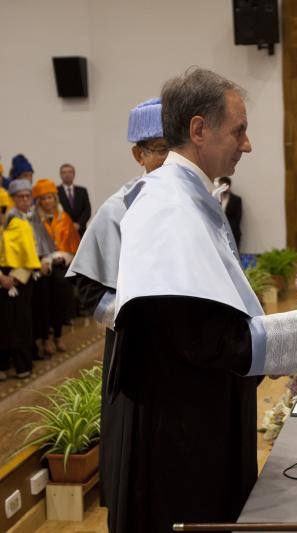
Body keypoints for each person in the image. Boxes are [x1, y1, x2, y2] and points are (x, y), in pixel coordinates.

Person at [104, 67, 297, 532]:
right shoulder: (170, 209)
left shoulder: (187, 197)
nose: (248, 144)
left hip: (194, 418)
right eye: (239, 130)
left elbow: (215, 321)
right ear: (199, 130)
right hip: (181, 438)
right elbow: (209, 341)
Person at [67, 96, 169, 513]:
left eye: (174, 147)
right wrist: (137, 324)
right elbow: (89, 291)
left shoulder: (200, 204)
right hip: (138, 355)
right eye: (159, 149)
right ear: (138, 154)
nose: (168, 159)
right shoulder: (118, 209)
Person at [32, 179, 80, 353]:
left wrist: (64, 256)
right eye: (43, 199)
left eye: (50, 197)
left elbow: (71, 242)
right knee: (44, 305)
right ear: (39, 201)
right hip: (43, 268)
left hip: (60, 268)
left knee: (59, 304)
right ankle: (45, 340)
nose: (47, 202)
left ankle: (58, 336)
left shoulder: (63, 217)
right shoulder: (34, 220)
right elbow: (32, 244)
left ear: (55, 199)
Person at [0, 179, 41, 380]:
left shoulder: (27, 220)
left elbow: (30, 253)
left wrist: (16, 278)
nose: (25, 200)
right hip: (6, 277)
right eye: (20, 197)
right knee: (7, 323)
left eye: (27, 196)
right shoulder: (11, 220)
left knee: (22, 323)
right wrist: (4, 278)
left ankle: (22, 364)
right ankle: (8, 365)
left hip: (21, 279)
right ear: (13, 199)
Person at [57, 163, 92, 236]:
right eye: (64, 172)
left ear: (74, 174)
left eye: (70, 172)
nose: (67, 174)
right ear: (60, 175)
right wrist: (68, 225)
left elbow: (87, 210)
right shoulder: (55, 191)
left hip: (80, 231)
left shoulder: (82, 191)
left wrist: (79, 224)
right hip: (63, 231)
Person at [217, 176, 243, 249]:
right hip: (218, 234)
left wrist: (227, 229)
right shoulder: (215, 198)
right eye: (220, 185)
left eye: (224, 186)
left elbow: (238, 218)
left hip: (233, 233)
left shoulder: (236, 200)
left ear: (228, 186)